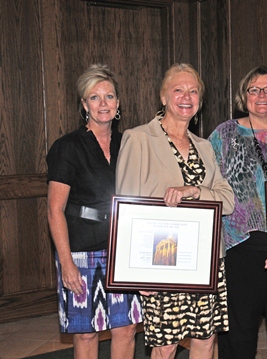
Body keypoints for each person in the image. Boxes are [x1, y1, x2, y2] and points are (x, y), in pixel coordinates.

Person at [115, 63, 235, 359]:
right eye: (178, 90)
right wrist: (135, 274)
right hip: (162, 261)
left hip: (205, 261)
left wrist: (194, 191)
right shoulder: (139, 138)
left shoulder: (204, 147)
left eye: (193, 91)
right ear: (163, 97)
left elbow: (228, 200)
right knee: (165, 345)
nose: (186, 97)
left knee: (206, 339)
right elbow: (127, 208)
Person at [46, 64, 142, 359]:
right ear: (83, 104)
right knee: (87, 332)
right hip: (81, 250)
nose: (103, 104)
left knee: (125, 329)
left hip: (123, 248)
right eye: (94, 97)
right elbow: (54, 210)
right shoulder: (67, 147)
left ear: (118, 103)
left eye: (109, 96)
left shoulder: (130, 143)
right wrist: (66, 263)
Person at [208, 67, 267, 359]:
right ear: (243, 96)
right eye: (254, 89)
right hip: (240, 245)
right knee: (240, 332)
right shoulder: (225, 133)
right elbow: (207, 185)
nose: (261, 96)